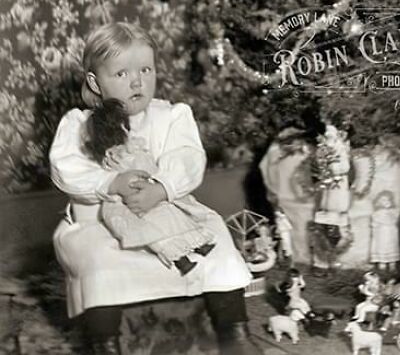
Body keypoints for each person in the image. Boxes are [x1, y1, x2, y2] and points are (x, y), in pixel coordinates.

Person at [50, 22, 260, 355]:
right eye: (121, 74)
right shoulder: (78, 124)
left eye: (145, 70)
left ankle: (233, 329)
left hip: (167, 212)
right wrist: (109, 182)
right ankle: (105, 341)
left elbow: (188, 158)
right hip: (101, 221)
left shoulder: (171, 116)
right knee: (98, 260)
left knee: (217, 237)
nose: (137, 82)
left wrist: (162, 187)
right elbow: (66, 168)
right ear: (95, 82)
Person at [84, 98, 216, 276]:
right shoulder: (115, 157)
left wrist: (155, 178)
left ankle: (197, 244)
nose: (125, 131)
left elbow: (148, 166)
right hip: (132, 201)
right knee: (154, 231)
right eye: (121, 128)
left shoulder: (132, 148)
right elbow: (122, 174)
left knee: (173, 219)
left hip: (148, 190)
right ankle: (181, 260)